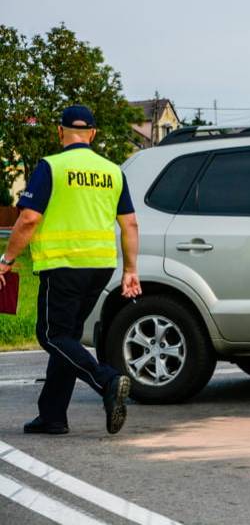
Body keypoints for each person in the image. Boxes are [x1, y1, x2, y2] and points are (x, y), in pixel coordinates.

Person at [0, 105, 142, 435]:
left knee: (51, 335)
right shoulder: (113, 171)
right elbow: (130, 224)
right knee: (68, 337)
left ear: (60, 131)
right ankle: (52, 416)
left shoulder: (52, 166)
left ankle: (106, 381)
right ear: (93, 134)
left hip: (63, 265)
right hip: (101, 267)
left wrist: (6, 260)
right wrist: (130, 270)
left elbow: (29, 218)